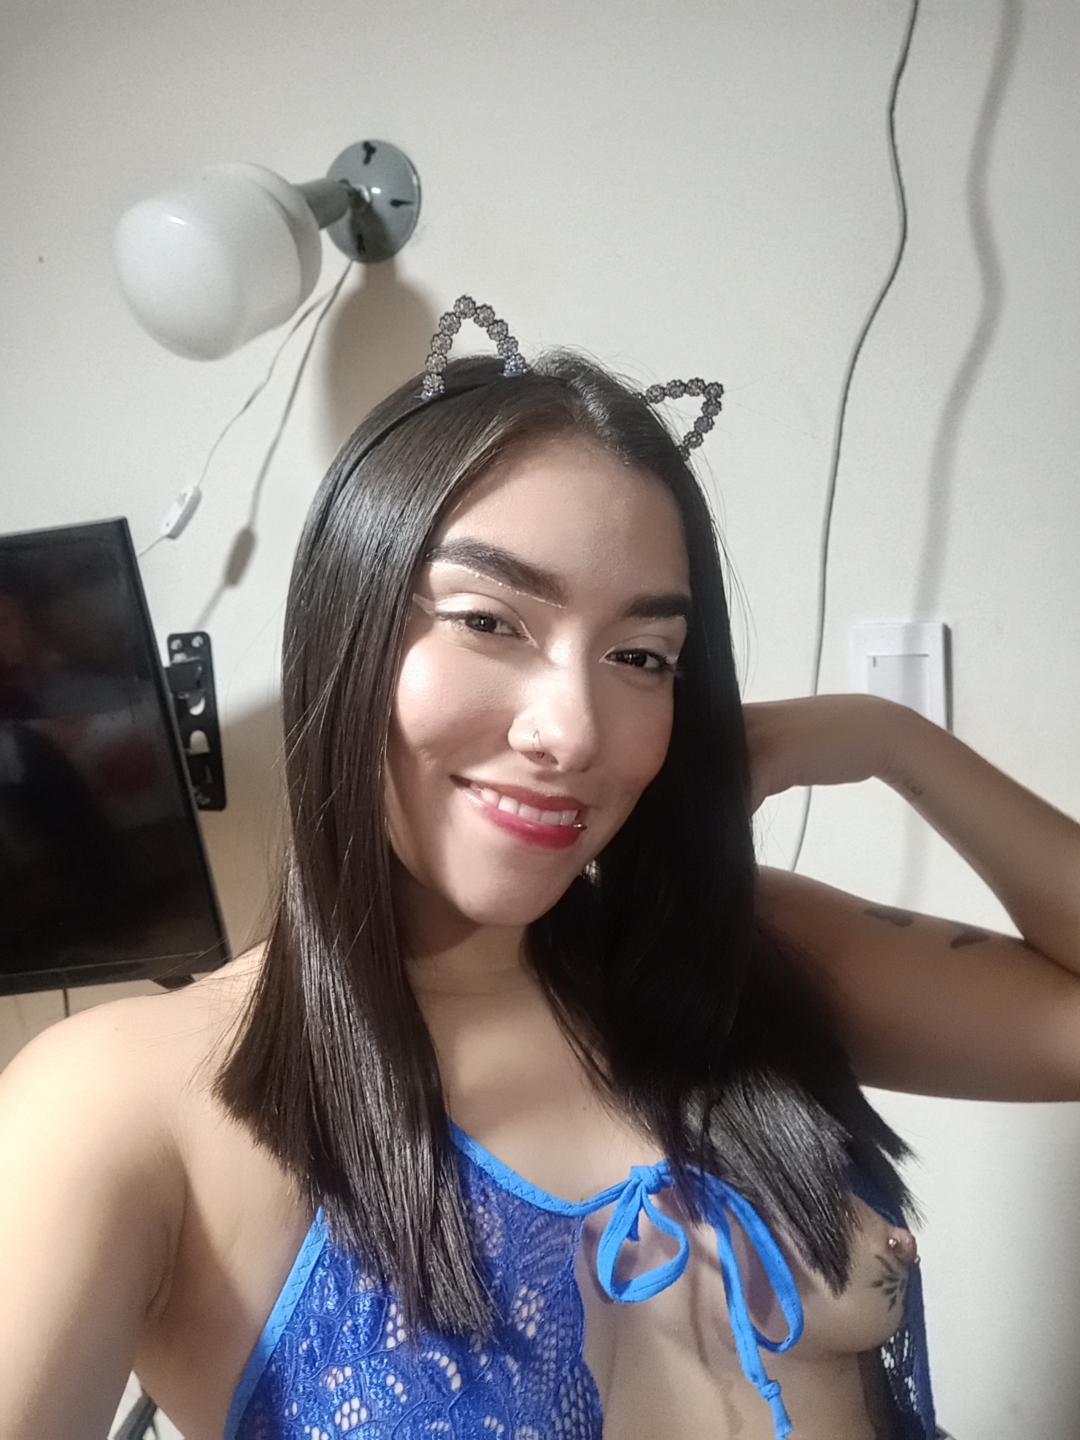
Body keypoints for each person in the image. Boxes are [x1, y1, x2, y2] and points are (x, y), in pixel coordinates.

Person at [2, 297, 1078, 1440]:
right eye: (489, 621)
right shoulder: (127, 1102)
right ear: (344, 630)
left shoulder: (740, 957)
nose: (574, 731)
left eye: (641, 656)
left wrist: (882, 738)